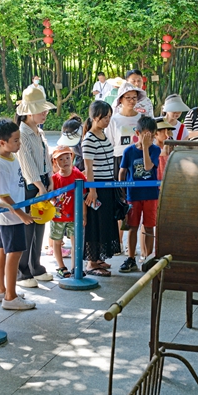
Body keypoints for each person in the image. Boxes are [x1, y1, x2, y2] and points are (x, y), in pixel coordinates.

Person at [0, 118, 36, 310]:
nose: (19, 143)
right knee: (14, 253)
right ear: (2, 142)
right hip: (10, 217)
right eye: (16, 140)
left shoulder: (11, 157)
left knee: (2, 250)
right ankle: (10, 296)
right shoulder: (1, 163)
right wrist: (21, 215)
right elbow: (3, 195)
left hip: (11, 215)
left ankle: (1, 290)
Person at [13, 87, 55, 287]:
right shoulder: (22, 133)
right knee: (28, 227)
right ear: (29, 111)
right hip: (31, 186)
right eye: (41, 110)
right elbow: (26, 163)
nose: (45, 113)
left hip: (42, 183)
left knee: (40, 225)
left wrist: (50, 179)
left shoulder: (39, 131)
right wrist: (40, 185)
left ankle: (35, 265)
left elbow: (45, 158)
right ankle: (23, 271)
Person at [108, 81, 147, 253]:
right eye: (128, 98)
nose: (131, 101)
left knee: (134, 201)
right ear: (120, 100)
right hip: (118, 160)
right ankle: (118, 243)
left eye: (134, 98)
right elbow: (109, 143)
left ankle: (135, 246)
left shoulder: (141, 119)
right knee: (119, 201)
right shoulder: (113, 120)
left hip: (137, 161)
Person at [82, 101, 120, 276]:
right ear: (94, 117)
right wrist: (92, 190)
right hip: (96, 186)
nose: (107, 120)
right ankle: (91, 262)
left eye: (109, 117)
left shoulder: (104, 135)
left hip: (108, 185)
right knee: (95, 223)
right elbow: (88, 167)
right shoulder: (89, 139)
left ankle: (98, 258)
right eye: (104, 117)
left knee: (105, 222)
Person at [118, 116, 160, 272]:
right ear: (138, 133)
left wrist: (147, 147)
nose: (148, 139)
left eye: (151, 135)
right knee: (133, 226)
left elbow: (148, 167)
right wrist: (122, 192)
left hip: (150, 195)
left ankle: (148, 257)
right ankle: (130, 258)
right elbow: (122, 171)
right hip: (133, 195)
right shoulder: (129, 151)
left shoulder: (155, 150)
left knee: (149, 227)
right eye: (145, 135)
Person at [50, 146, 86, 278]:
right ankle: (61, 266)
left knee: (75, 240)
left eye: (67, 157)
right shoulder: (54, 178)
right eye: (60, 159)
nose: (65, 161)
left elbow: (82, 197)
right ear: (55, 162)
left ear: (72, 157)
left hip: (74, 216)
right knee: (57, 241)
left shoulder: (78, 175)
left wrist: (83, 216)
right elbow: (51, 197)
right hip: (58, 216)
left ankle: (75, 267)